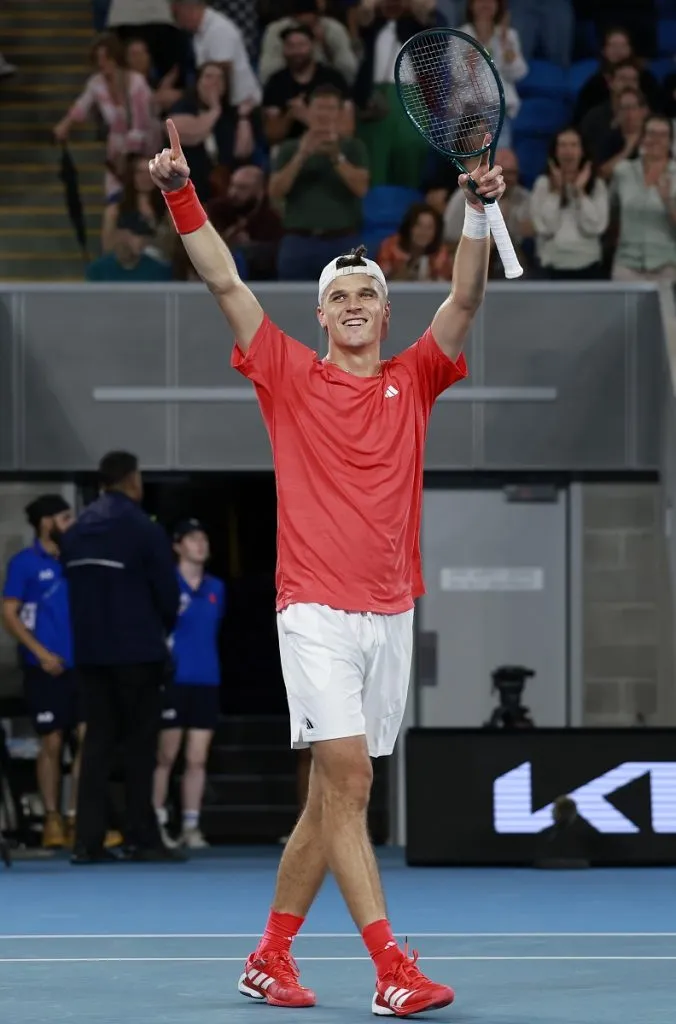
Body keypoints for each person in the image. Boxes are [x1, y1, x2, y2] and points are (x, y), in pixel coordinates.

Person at [149, 116, 504, 1014]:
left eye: (367, 292)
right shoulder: (286, 371)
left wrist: (474, 212)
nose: (352, 302)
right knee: (351, 780)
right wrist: (179, 190)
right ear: (320, 312)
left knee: (329, 799)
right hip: (312, 607)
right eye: (339, 292)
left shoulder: (416, 377)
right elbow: (224, 276)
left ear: (386, 312)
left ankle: (270, 956)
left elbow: (462, 303)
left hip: (390, 611)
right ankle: (392, 969)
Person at [59, 451, 181, 863]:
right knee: (138, 746)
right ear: (132, 480)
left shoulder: (75, 532)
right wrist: (160, 632)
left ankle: (87, 841)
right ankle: (140, 836)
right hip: (138, 652)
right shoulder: (142, 529)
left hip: (91, 653)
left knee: (96, 744)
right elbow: (167, 592)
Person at [1, 496, 77, 849]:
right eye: (65, 517)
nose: (71, 524)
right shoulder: (24, 563)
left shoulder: (76, 558)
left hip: (82, 666)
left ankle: (78, 816)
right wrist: (41, 654)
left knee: (90, 738)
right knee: (52, 740)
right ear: (46, 523)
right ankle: (51, 818)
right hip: (43, 668)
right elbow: (9, 613)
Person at [153, 520, 226, 849]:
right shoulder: (165, 584)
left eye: (204, 537)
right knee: (166, 756)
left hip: (206, 678)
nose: (200, 544)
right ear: (177, 545)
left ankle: (191, 826)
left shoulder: (216, 587)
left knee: (197, 758)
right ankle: (156, 822)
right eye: (193, 539)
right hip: (173, 680)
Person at [530, 127, 609, 280]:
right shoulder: (542, 184)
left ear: (582, 151)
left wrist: (579, 193)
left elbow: (596, 227)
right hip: (551, 266)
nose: (568, 151)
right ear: (555, 152)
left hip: (588, 265)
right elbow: (545, 228)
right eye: (563, 145)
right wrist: (557, 192)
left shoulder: (597, 185)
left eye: (574, 145)